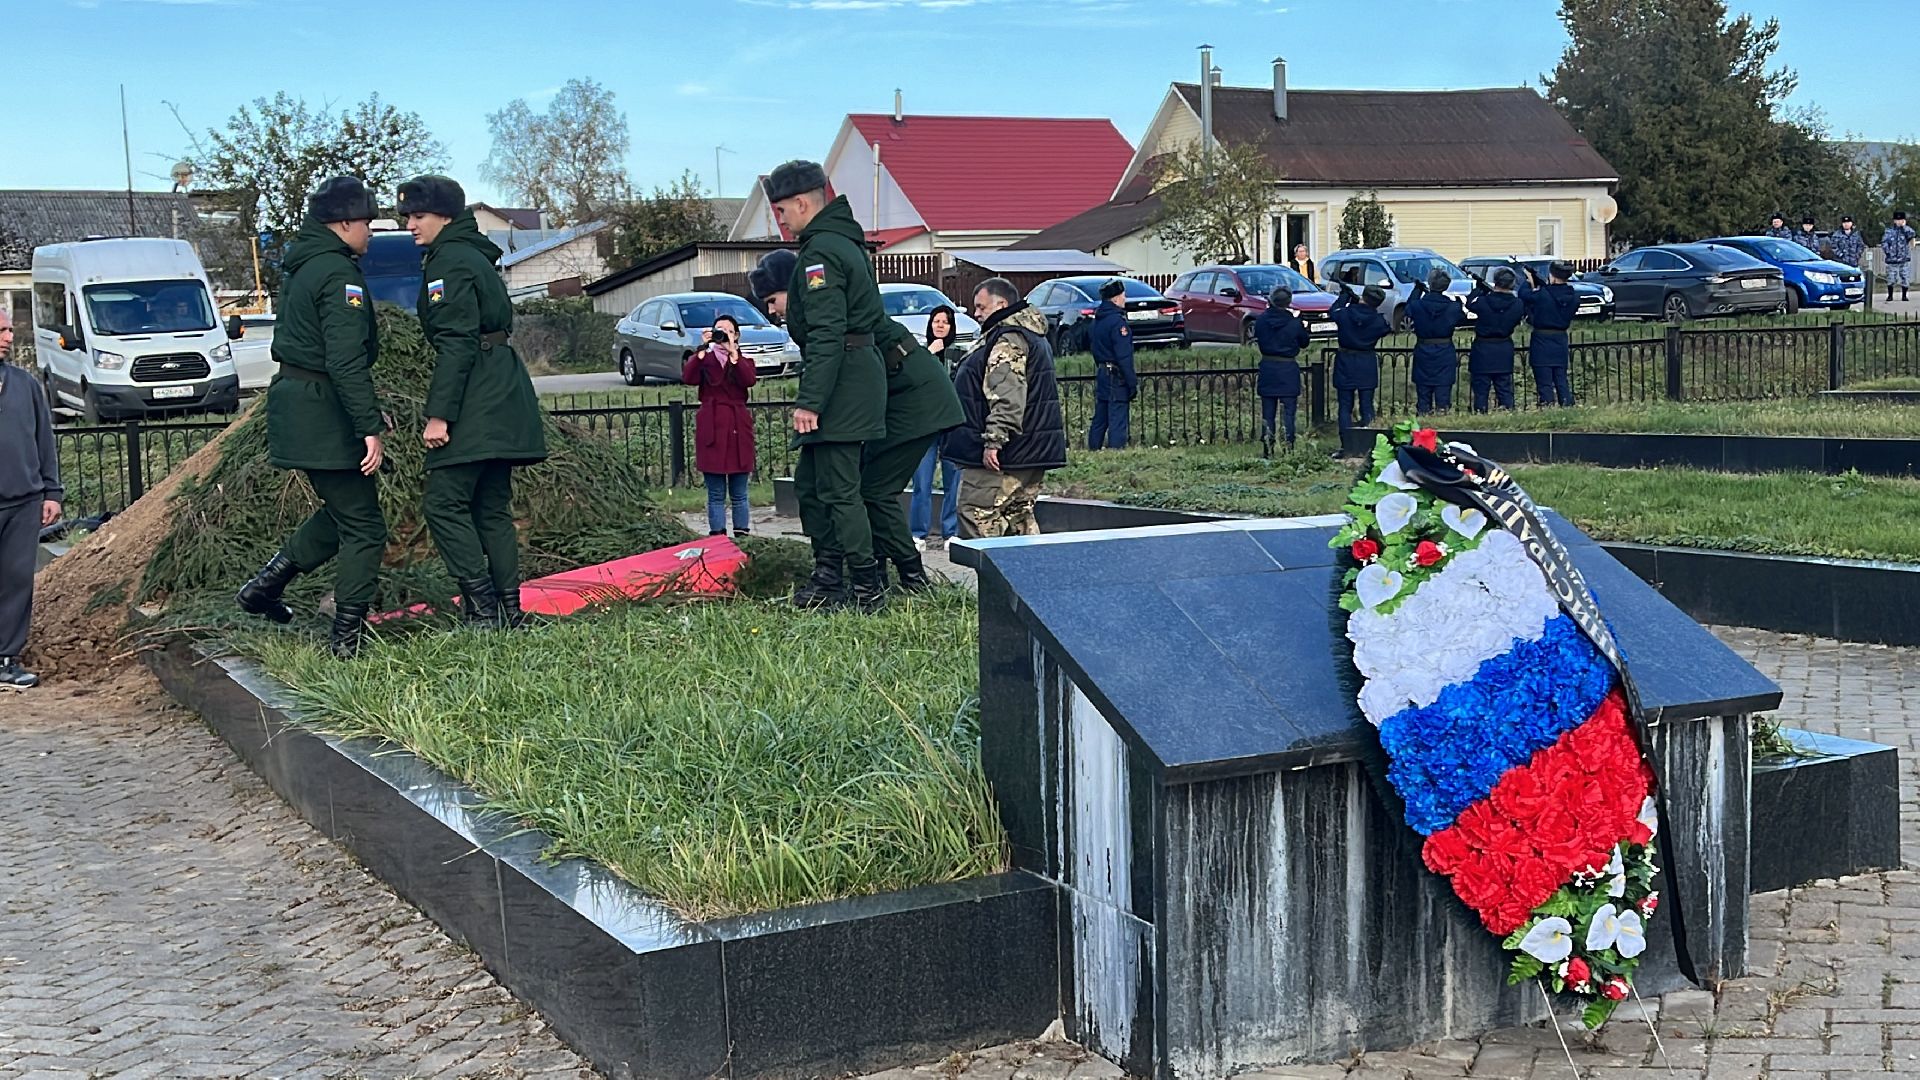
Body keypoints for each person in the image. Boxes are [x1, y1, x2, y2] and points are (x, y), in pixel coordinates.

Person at [235, 176, 387, 658]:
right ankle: (346, 641)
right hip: (323, 410)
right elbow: (344, 360)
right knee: (365, 527)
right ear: (342, 224)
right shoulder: (338, 275)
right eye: (366, 222)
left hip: (301, 403)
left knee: (345, 512)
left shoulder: (304, 266)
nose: (370, 231)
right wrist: (369, 426)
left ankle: (265, 587)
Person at [398, 174, 549, 629]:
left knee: (443, 504)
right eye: (407, 217)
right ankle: (509, 610)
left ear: (445, 217)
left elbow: (457, 343)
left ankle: (482, 610)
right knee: (491, 507)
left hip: (476, 394)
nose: (410, 225)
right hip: (502, 386)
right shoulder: (475, 255)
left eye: (418, 216)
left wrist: (439, 415)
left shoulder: (449, 262)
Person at [760, 161, 889, 610]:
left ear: (802, 203)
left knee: (838, 489)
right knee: (812, 485)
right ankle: (829, 576)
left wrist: (811, 401)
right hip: (848, 375)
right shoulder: (836, 242)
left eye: (781, 211)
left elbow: (828, 331)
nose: (781, 221)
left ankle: (866, 587)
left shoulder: (822, 253)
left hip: (844, 382)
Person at [944, 278, 1066, 538]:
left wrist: (994, 440)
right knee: (1018, 519)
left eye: (981, 307)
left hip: (1006, 454)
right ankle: (1029, 566)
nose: (976, 313)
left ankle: (992, 566)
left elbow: (1007, 394)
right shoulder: (1031, 334)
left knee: (976, 513)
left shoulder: (1008, 339)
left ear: (1001, 304)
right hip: (1031, 449)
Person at [0, 308, 62, 689]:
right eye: (1, 330)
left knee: (16, 581)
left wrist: (51, 492)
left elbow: (44, 442)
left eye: (9, 329)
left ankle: (6, 658)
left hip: (23, 502)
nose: (9, 337)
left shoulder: (25, 385)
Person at [682, 313, 756, 538]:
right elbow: (689, 377)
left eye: (728, 332)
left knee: (739, 493)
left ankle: (742, 538)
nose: (723, 335)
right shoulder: (705, 359)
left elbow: (749, 380)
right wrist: (701, 350)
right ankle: (718, 538)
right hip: (712, 426)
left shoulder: (743, 360)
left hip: (737, 427)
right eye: (719, 331)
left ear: (737, 336)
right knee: (715, 493)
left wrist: (733, 354)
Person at [908, 306, 966, 550]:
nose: (940, 325)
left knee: (954, 481)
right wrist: (929, 354)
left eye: (945, 321)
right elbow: (911, 379)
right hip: (927, 425)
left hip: (952, 425)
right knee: (922, 481)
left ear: (952, 326)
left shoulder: (960, 354)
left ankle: (950, 532)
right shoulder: (920, 354)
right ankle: (918, 533)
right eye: (936, 321)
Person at [1251, 286, 1310, 455]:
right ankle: (1288, 449)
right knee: (1289, 413)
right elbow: (1304, 343)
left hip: (1268, 367)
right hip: (1288, 369)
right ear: (1288, 302)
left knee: (1268, 413)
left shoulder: (1261, 320)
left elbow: (1257, 336)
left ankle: (1267, 450)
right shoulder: (1294, 323)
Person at [1327, 283, 1391, 435]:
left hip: (1345, 360)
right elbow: (1385, 329)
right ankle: (1369, 439)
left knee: (1345, 405)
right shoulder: (1378, 321)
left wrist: (1344, 297)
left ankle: (1346, 441)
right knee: (1367, 405)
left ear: (1363, 297)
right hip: (1366, 361)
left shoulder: (1346, 314)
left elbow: (1333, 312)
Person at [1517, 262, 1581, 407]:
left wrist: (1529, 281)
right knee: (1561, 378)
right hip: (1561, 339)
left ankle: (1547, 405)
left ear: (1553, 277)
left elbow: (1523, 295)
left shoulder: (1543, 294)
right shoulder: (1574, 296)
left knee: (1544, 380)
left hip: (1541, 339)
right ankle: (1566, 405)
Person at [1405, 270, 1466, 415]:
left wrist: (1417, 291)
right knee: (1443, 390)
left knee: (1423, 391)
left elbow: (1408, 308)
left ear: (1430, 284)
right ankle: (1442, 414)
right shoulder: (1453, 307)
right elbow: (1461, 319)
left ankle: (1423, 416)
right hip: (1444, 350)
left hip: (1423, 348)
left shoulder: (1418, 305)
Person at [1085, 279, 1137, 450]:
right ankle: (1116, 452)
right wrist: (1131, 382)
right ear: (1115, 298)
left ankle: (1093, 449)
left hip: (1102, 372)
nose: (1125, 299)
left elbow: (1094, 347)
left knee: (1101, 417)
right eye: (1123, 295)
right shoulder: (1117, 322)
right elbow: (1124, 356)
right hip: (1116, 375)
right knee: (1117, 418)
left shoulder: (1097, 320)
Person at [1466, 269, 1526, 412]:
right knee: (1504, 388)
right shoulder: (1517, 304)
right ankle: (1507, 413)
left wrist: (1478, 290)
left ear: (1495, 282)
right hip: (1503, 348)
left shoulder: (1483, 301)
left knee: (1481, 390)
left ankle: (1481, 414)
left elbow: (1469, 305)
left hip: (1482, 349)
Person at [1884, 210, 1915, 303]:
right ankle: (1890, 295)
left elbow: (1912, 234)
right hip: (1892, 260)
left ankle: (1904, 296)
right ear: (1894, 221)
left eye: (1901, 220)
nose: (1899, 222)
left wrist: (1904, 227)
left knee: (1905, 277)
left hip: (1903, 259)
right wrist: (1888, 252)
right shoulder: (1889, 231)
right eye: (1897, 220)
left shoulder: (1906, 230)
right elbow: (1884, 242)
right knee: (1891, 279)